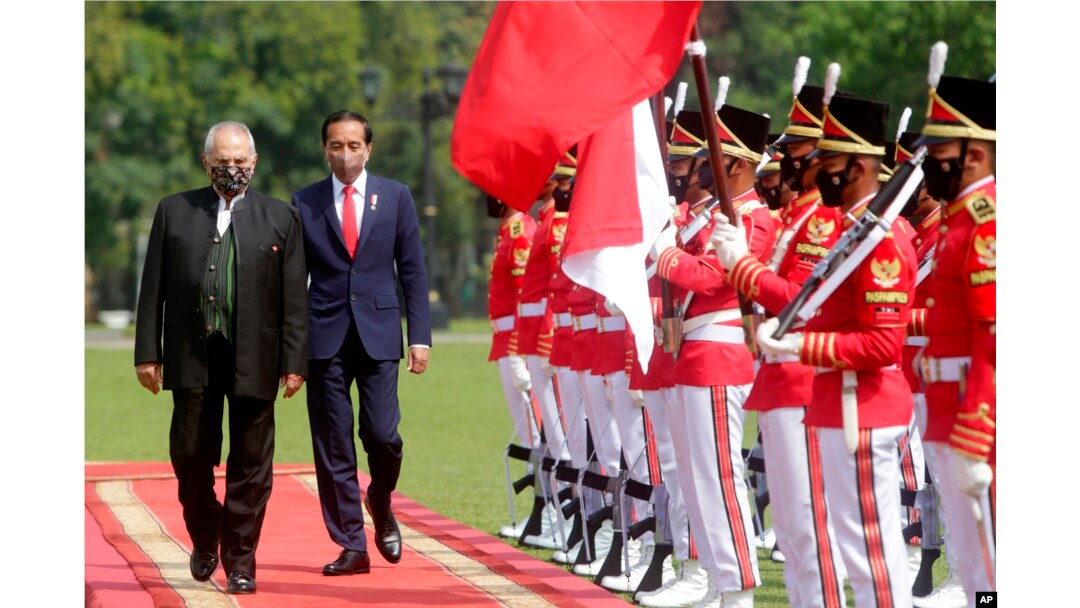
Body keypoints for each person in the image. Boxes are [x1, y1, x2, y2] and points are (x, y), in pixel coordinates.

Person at [720, 88, 919, 607]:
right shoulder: (851, 232)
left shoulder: (877, 239)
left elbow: (880, 343)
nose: (810, 167)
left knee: (865, 551)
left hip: (862, 404)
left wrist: (794, 343)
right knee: (818, 534)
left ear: (855, 165)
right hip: (836, 400)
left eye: (826, 158)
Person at [134, 121, 309, 595]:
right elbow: (153, 288)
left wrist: (296, 361)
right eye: (221, 161)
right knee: (189, 455)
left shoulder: (281, 217)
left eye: (239, 161)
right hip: (192, 353)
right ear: (205, 162)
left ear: (254, 163)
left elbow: (295, 298)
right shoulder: (174, 211)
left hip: (257, 355)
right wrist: (147, 352)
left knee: (251, 463)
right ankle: (204, 533)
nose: (231, 169)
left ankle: (240, 561)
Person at [647, 101, 775, 608]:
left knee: (721, 476)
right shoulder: (717, 215)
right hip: (693, 351)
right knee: (701, 479)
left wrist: (664, 253)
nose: (698, 168)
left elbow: (708, 276)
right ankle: (720, 582)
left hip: (719, 352)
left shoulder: (751, 218)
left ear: (737, 165)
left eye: (708, 158)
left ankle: (738, 588)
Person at [293, 110, 432, 576]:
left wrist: (421, 338)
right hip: (323, 336)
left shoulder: (395, 197)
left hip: (379, 334)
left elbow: (412, 270)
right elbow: (293, 281)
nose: (346, 153)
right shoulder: (304, 202)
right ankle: (351, 543)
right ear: (325, 150)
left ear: (368, 149)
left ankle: (381, 499)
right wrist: (291, 349)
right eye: (336, 145)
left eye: (354, 145)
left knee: (382, 435)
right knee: (334, 446)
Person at [915, 64, 997, 606]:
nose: (929, 164)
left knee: (991, 563)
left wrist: (975, 426)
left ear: (973, 153)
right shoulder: (959, 220)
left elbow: (995, 335)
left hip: (974, 410)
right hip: (946, 399)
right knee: (972, 562)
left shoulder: (987, 223)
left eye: (940, 151)